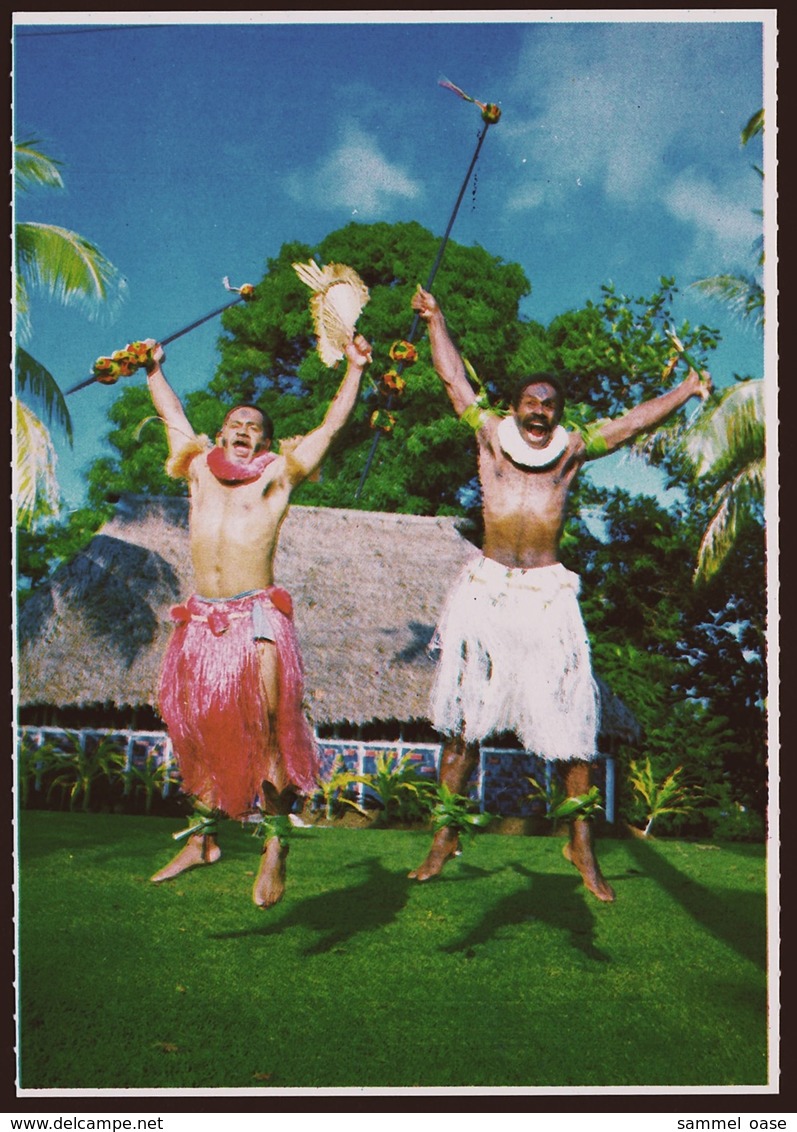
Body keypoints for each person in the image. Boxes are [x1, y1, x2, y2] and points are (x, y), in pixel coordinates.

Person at [409, 287, 712, 901]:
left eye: (549, 405)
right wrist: (437, 319)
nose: (539, 412)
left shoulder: (573, 450)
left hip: (548, 594)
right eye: (530, 402)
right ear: (516, 407)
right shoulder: (490, 435)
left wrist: (684, 391)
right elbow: (453, 384)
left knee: (573, 725)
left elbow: (628, 425)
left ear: (559, 412)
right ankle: (444, 837)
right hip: (487, 588)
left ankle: (580, 841)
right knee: (466, 720)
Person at [145, 333, 372, 906]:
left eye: (255, 428)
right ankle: (202, 838)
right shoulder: (196, 468)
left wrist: (355, 369)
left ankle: (274, 845)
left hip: (256, 617)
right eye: (235, 424)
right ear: (221, 433)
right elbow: (171, 415)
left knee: (269, 725)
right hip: (201, 622)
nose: (244, 431)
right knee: (194, 727)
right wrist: (152, 370)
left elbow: (329, 428)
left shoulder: (278, 476)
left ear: (267, 442)